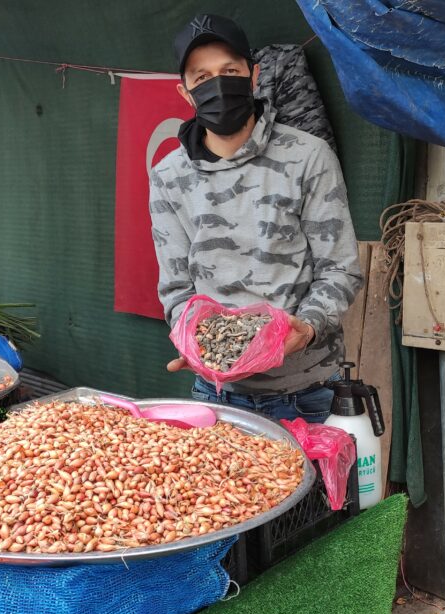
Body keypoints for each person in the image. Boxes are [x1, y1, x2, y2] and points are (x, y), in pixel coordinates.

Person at [149, 14, 362, 422]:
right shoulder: (168, 177)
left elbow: (340, 270)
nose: (217, 84)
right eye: (202, 76)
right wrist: (191, 340)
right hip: (216, 393)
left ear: (254, 74)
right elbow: (176, 289)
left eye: (230, 70)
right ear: (185, 92)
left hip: (308, 392)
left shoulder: (308, 156)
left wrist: (308, 326)